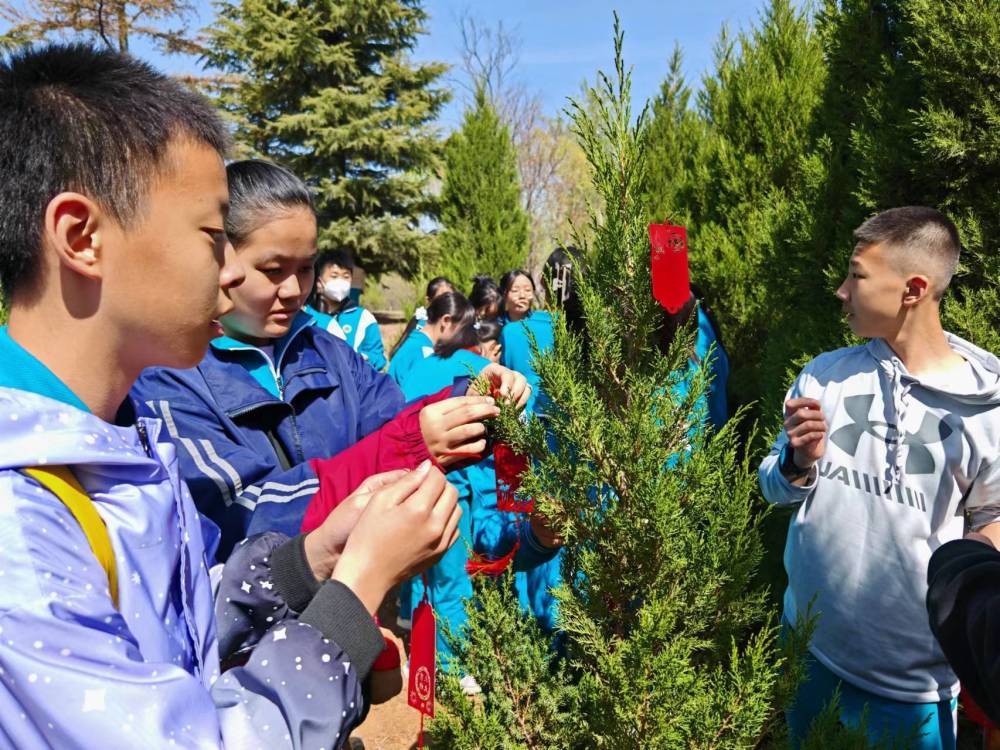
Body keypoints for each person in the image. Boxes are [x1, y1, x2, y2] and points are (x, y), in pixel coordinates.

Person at [0, 42, 462, 748]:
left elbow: (169, 620)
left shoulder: (118, 439)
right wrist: (356, 590)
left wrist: (307, 563)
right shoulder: (19, 525)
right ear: (81, 236)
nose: (231, 276)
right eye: (214, 238)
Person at [132, 160, 525, 560]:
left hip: (352, 596)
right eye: (272, 269)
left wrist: (468, 403)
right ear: (221, 258)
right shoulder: (171, 373)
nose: (293, 290)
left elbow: (394, 420)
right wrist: (409, 445)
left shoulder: (327, 351)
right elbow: (243, 513)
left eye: (305, 269)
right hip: (254, 610)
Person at [759, 207, 1000, 749]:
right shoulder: (824, 375)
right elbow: (772, 486)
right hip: (807, 657)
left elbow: (994, 517)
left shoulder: (988, 411)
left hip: (914, 693)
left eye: (857, 275)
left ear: (912, 289)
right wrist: (799, 461)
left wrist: (965, 581)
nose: (842, 291)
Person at [309, 249, 387, 371]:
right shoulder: (305, 316)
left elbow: (378, 357)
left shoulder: (364, 318)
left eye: (346, 276)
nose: (341, 281)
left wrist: (365, 359)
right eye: (334, 276)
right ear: (319, 283)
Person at [499, 268, 553, 414]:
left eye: (528, 290)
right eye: (515, 290)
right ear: (504, 294)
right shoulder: (494, 328)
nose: (522, 295)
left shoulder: (546, 322)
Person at [387, 276, 455, 383]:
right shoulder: (425, 334)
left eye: (450, 298)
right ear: (428, 301)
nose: (447, 305)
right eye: (441, 299)